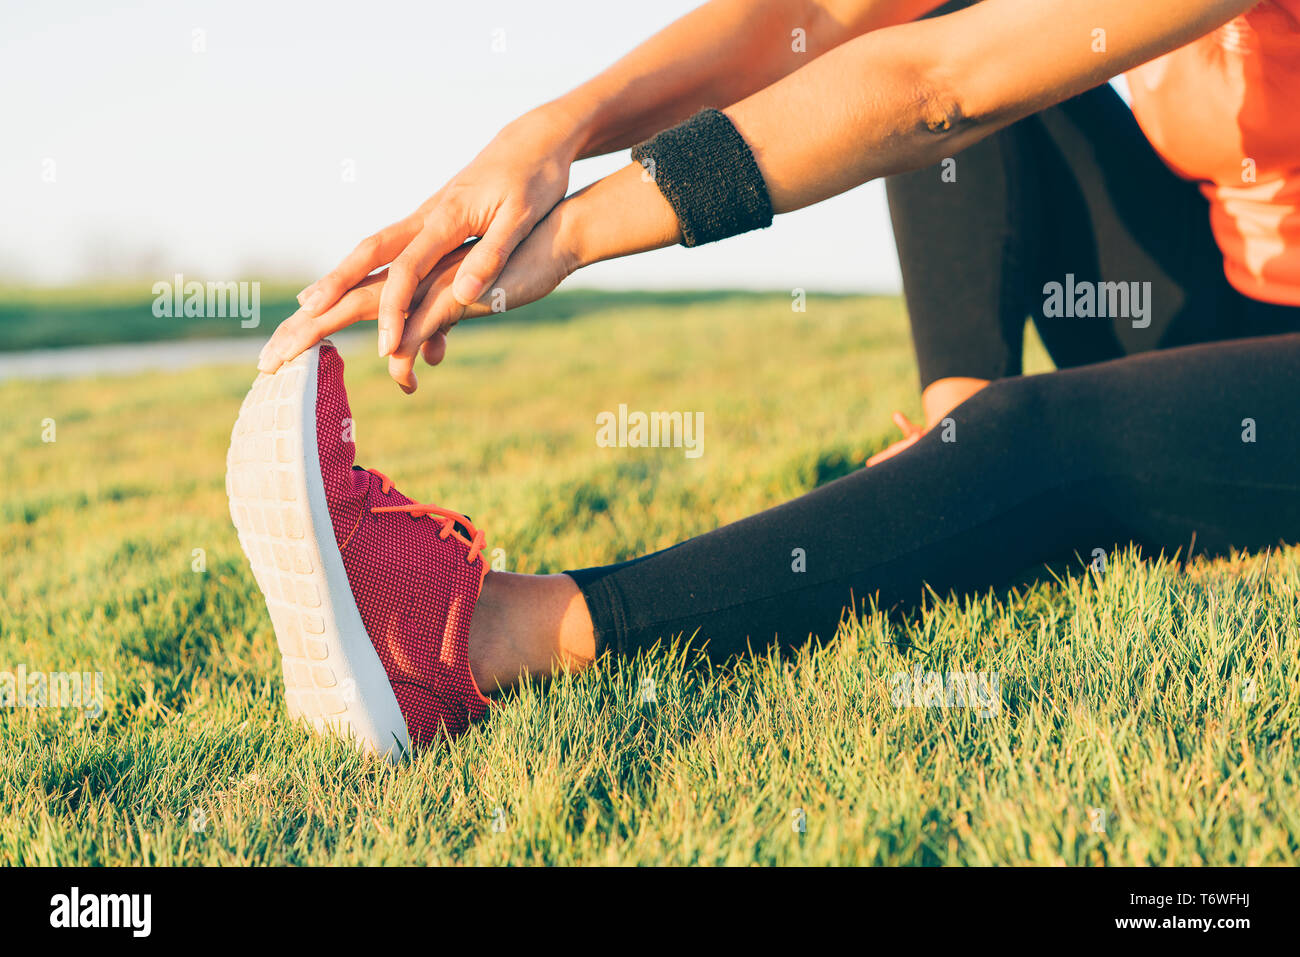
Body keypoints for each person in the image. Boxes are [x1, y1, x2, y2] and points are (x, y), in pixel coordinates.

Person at [230, 0, 1300, 754]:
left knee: (1054, 441)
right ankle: (956, 442)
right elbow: (820, 17)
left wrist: (580, 230)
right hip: (1224, 291)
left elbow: (936, 90)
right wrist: (552, 132)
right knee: (939, 8)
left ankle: (475, 640)